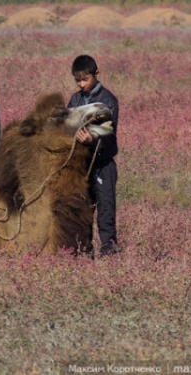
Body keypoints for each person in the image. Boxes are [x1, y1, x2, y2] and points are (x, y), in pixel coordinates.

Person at [67, 55, 120, 257]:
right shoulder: (75, 99)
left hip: (103, 166)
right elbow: (68, 127)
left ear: (96, 74)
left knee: (106, 212)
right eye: (78, 80)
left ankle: (109, 253)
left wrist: (92, 140)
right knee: (83, 212)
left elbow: (109, 134)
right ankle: (84, 254)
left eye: (85, 79)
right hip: (81, 166)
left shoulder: (109, 100)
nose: (81, 84)